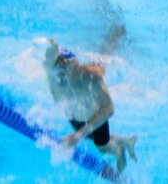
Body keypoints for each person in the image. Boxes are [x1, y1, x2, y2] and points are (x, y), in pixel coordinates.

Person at [43, 39, 137, 172]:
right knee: (89, 136)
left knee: (102, 147)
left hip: (94, 119)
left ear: (75, 67)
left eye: (66, 66)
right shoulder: (53, 72)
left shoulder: (90, 76)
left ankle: (119, 150)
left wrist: (78, 136)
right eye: (60, 66)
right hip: (75, 118)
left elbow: (109, 109)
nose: (62, 73)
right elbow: (49, 50)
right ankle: (127, 141)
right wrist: (52, 43)